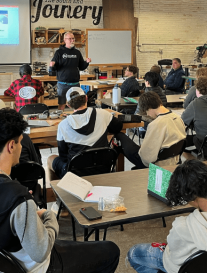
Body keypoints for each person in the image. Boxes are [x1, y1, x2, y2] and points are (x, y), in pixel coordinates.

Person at [0, 108, 120, 273]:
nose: (21, 146)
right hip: (40, 265)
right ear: (11, 146)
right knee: (111, 250)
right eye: (21, 141)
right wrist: (48, 216)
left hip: (10, 258)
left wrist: (23, 209)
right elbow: (40, 252)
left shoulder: (15, 195)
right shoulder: (18, 197)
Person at [127, 159, 207, 273]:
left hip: (192, 267)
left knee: (134, 253)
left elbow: (172, 259)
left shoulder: (182, 226)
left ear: (189, 198)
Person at [47, 87, 123, 179]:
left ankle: (58, 191)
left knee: (51, 159)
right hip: (103, 168)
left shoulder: (63, 125)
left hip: (75, 173)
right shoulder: (103, 114)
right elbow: (118, 127)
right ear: (86, 98)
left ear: (68, 105)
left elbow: (63, 155)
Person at [114, 91, 186, 169]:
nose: (148, 114)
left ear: (149, 107)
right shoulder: (178, 118)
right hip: (173, 160)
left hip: (156, 164)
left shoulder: (155, 124)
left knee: (120, 136)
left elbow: (146, 158)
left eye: (147, 111)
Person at [49, 31, 91, 111]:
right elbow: (53, 70)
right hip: (62, 84)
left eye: (73, 39)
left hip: (75, 83)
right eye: (70, 39)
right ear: (65, 40)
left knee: (77, 104)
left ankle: (77, 119)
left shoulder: (77, 52)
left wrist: (86, 62)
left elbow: (81, 67)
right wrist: (51, 66)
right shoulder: (59, 52)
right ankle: (60, 120)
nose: (72, 40)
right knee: (62, 104)